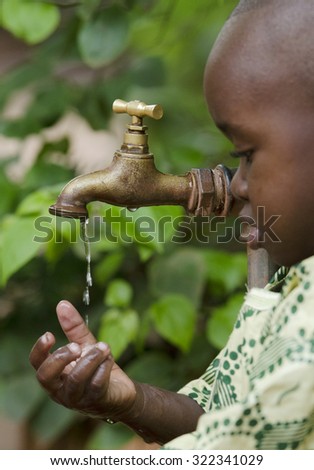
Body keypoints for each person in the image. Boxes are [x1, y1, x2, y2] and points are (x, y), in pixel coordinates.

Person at [29, 0, 314, 449]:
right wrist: (129, 401)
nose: (236, 184)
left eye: (245, 155)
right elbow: (223, 420)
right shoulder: (295, 278)